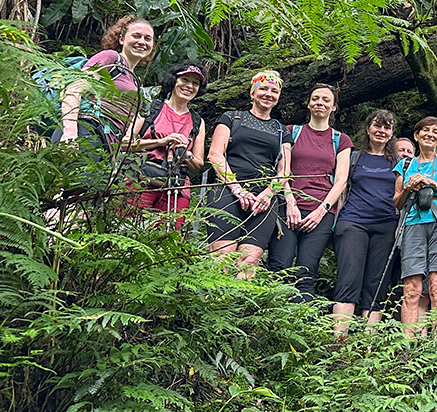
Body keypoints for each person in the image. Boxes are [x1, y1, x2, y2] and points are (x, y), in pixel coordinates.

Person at [270, 84, 352, 301]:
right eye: (315, 98)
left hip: (321, 212)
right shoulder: (290, 132)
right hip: (287, 208)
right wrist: (290, 203)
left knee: (307, 269)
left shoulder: (340, 140)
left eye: (326, 100)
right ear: (308, 103)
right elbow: (282, 171)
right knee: (280, 265)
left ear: (333, 107)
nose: (320, 103)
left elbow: (341, 179)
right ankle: (270, 322)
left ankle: (302, 324)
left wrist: (321, 211)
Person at [205, 70, 287, 275]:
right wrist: (237, 189)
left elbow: (284, 170)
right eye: (264, 88)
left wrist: (268, 194)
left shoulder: (281, 130)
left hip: (264, 197)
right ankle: (214, 304)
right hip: (227, 190)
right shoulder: (232, 118)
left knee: (249, 261)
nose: (269, 94)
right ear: (252, 92)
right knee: (223, 256)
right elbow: (215, 154)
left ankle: (237, 305)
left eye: (274, 91)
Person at [332, 110, 401, 333]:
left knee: (377, 283)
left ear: (392, 133)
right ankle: (339, 339)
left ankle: (367, 342)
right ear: (368, 128)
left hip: (386, 225)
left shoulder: (399, 163)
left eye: (387, 127)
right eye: (377, 126)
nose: (381, 131)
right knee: (348, 278)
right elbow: (341, 187)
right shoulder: (354, 157)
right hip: (353, 221)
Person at [395, 116, 437, 334]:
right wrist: (408, 187)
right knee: (411, 287)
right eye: (425, 130)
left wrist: (430, 182)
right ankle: (407, 343)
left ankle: (435, 340)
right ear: (416, 135)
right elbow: (397, 202)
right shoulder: (405, 165)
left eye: (435, 132)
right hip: (413, 223)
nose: (430, 134)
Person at [57, 16, 156, 162]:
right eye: (136, 36)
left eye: (148, 38)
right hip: (85, 131)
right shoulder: (111, 58)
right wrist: (70, 133)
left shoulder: (134, 80)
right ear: (121, 39)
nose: (142, 42)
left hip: (105, 144)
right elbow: (74, 89)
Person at [128, 61, 207, 221]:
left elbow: (198, 166)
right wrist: (161, 142)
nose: (189, 86)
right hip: (140, 180)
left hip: (177, 187)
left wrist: (186, 154)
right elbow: (124, 144)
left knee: (168, 238)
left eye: (195, 83)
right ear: (173, 81)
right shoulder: (150, 108)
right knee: (129, 229)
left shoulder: (197, 121)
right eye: (185, 80)